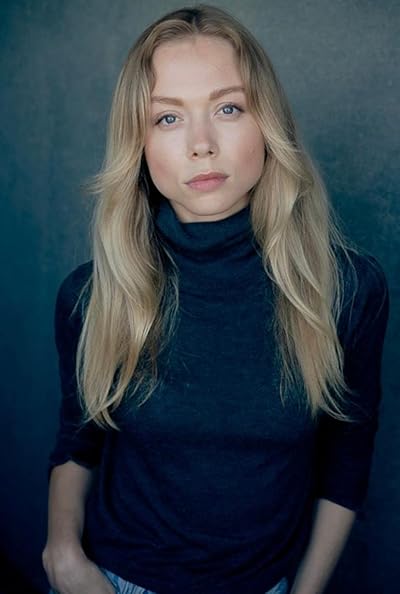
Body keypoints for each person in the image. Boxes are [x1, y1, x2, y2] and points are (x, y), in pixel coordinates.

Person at [42, 4, 389, 594]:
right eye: (168, 118)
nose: (201, 144)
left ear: (267, 123)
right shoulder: (94, 296)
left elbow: (345, 466)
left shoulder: (347, 290)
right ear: (139, 145)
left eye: (228, 108)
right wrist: (63, 556)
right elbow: (79, 440)